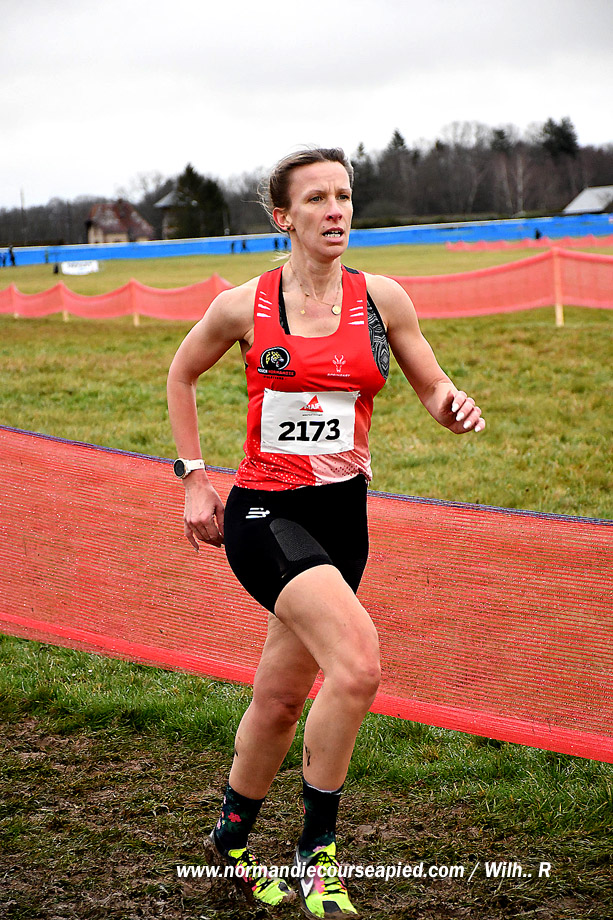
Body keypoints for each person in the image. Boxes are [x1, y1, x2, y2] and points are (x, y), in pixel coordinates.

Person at [167, 147, 485, 919]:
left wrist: (450, 406)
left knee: (281, 700)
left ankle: (227, 843)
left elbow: (430, 383)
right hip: (265, 516)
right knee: (358, 667)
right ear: (284, 217)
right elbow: (181, 374)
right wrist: (194, 479)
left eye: (343, 195)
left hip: (344, 521)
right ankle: (316, 856)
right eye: (316, 198)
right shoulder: (242, 306)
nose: (335, 209)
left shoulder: (382, 298)